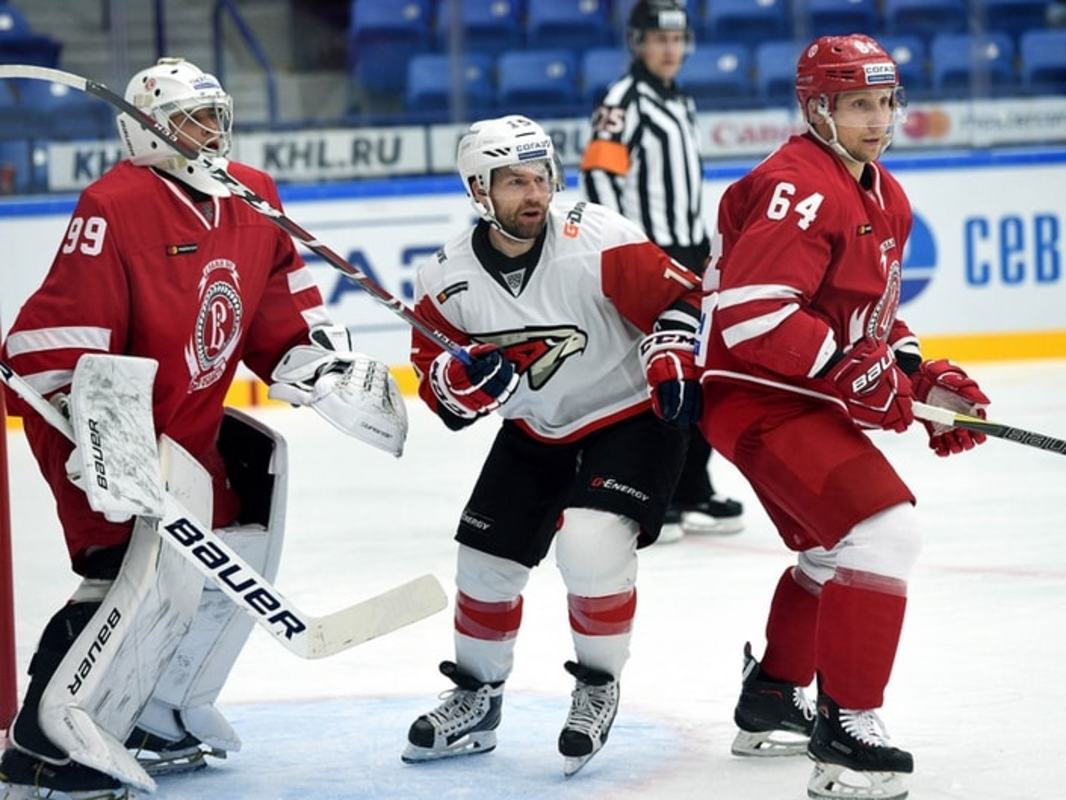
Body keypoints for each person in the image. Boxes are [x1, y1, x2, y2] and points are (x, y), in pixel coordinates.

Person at [0, 58, 406, 799]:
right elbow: (45, 346)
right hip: (102, 431)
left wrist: (324, 371)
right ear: (148, 132)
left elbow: (284, 323)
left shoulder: (253, 197)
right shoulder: (114, 203)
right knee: (128, 577)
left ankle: (153, 711)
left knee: (215, 570)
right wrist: (105, 442)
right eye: (191, 118)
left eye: (216, 116)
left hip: (188, 434)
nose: (210, 132)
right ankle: (42, 742)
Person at [648, 35, 990, 800]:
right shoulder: (794, 187)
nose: (878, 118)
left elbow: (871, 321)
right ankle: (846, 733)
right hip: (756, 398)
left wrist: (924, 379)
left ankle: (772, 696)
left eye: (886, 101)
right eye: (858, 103)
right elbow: (752, 318)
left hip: (795, 395)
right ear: (817, 109)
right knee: (884, 531)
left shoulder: (883, 191)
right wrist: (850, 372)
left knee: (838, 552)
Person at [402, 114, 702, 776]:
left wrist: (672, 352)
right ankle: (476, 699)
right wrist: (463, 379)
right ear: (480, 191)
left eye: (540, 177)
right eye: (514, 182)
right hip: (537, 428)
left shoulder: (596, 239)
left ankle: (597, 685)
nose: (534, 193)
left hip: (629, 419)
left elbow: (680, 300)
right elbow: (436, 386)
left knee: (590, 543)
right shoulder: (447, 279)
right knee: (482, 559)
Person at [580, 0, 743, 543]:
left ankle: (693, 486)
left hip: (692, 253)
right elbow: (600, 181)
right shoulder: (622, 101)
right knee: (662, 371)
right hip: (651, 255)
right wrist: (632, 252)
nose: (670, 50)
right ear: (638, 43)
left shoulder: (681, 101)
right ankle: (662, 492)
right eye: (659, 39)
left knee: (700, 369)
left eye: (678, 40)